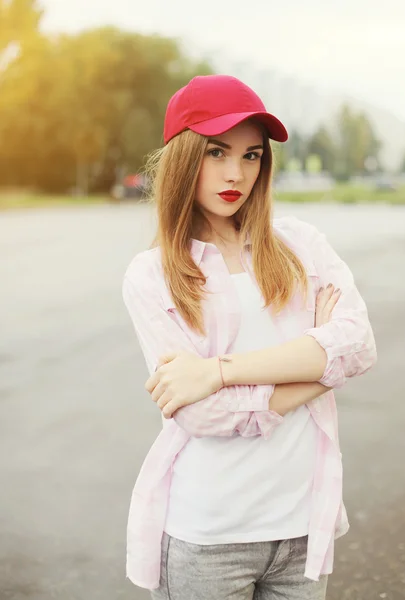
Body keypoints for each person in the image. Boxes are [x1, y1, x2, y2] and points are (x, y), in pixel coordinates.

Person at [122, 74, 377, 600]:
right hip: (208, 536)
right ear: (183, 158)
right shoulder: (152, 276)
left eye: (252, 155)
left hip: (301, 527)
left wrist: (219, 371)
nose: (236, 173)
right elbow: (202, 414)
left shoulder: (302, 246)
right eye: (217, 152)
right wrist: (317, 366)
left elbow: (359, 345)